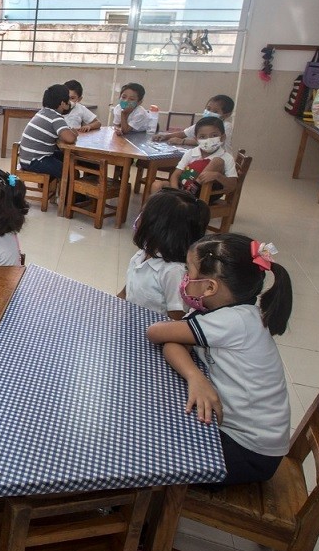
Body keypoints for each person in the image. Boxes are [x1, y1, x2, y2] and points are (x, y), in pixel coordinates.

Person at [147, 234, 292, 486]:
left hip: (249, 453)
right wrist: (195, 376)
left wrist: (193, 374)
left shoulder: (233, 322)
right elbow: (172, 341)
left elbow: (156, 332)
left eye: (187, 271)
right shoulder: (223, 311)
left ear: (210, 287)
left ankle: (140, 514)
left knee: (154, 453)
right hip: (244, 439)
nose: (184, 279)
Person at [119, 189, 209, 320]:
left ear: (159, 228)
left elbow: (176, 320)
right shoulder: (142, 254)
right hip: (129, 323)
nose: (138, 218)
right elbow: (126, 292)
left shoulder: (174, 272)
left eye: (143, 214)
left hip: (153, 335)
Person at [151, 116, 237, 197]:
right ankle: (151, 211)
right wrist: (176, 192)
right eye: (202, 137)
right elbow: (176, 175)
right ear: (196, 139)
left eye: (214, 136)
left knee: (217, 161)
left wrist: (217, 176)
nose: (208, 140)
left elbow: (232, 186)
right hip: (182, 189)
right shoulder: (190, 153)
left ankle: (188, 194)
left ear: (222, 137)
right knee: (157, 185)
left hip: (203, 194)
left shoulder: (227, 157)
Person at [16, 84, 78, 179]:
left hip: (27, 158)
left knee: (65, 158)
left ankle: (58, 190)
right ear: (62, 103)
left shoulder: (44, 112)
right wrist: (74, 133)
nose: (70, 103)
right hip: (36, 161)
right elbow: (70, 138)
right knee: (70, 171)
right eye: (68, 101)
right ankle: (69, 194)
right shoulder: (55, 117)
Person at [153, 95, 235, 150]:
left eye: (215, 111)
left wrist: (182, 141)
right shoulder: (202, 124)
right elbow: (183, 133)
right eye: (208, 109)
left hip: (220, 162)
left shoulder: (226, 126)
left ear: (226, 115)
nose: (209, 112)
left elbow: (211, 142)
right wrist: (165, 136)